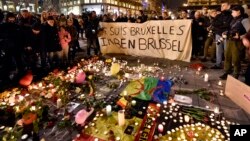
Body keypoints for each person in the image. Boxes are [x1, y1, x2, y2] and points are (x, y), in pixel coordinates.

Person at [220, 6, 250, 80]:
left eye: (233, 11)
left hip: (237, 43)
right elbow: (231, 29)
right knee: (227, 57)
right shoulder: (234, 19)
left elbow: (249, 31)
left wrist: (241, 37)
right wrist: (226, 32)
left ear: (239, 11)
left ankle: (235, 74)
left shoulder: (245, 20)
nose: (232, 13)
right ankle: (227, 72)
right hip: (230, 40)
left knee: (236, 59)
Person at [211, 1, 233, 69]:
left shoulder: (231, 15)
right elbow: (214, 23)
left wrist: (220, 24)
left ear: (229, 6)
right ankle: (218, 64)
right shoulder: (218, 15)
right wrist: (222, 24)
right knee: (218, 50)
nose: (221, 7)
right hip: (218, 34)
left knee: (227, 50)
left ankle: (227, 65)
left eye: (223, 5)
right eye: (221, 5)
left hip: (226, 35)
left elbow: (228, 25)